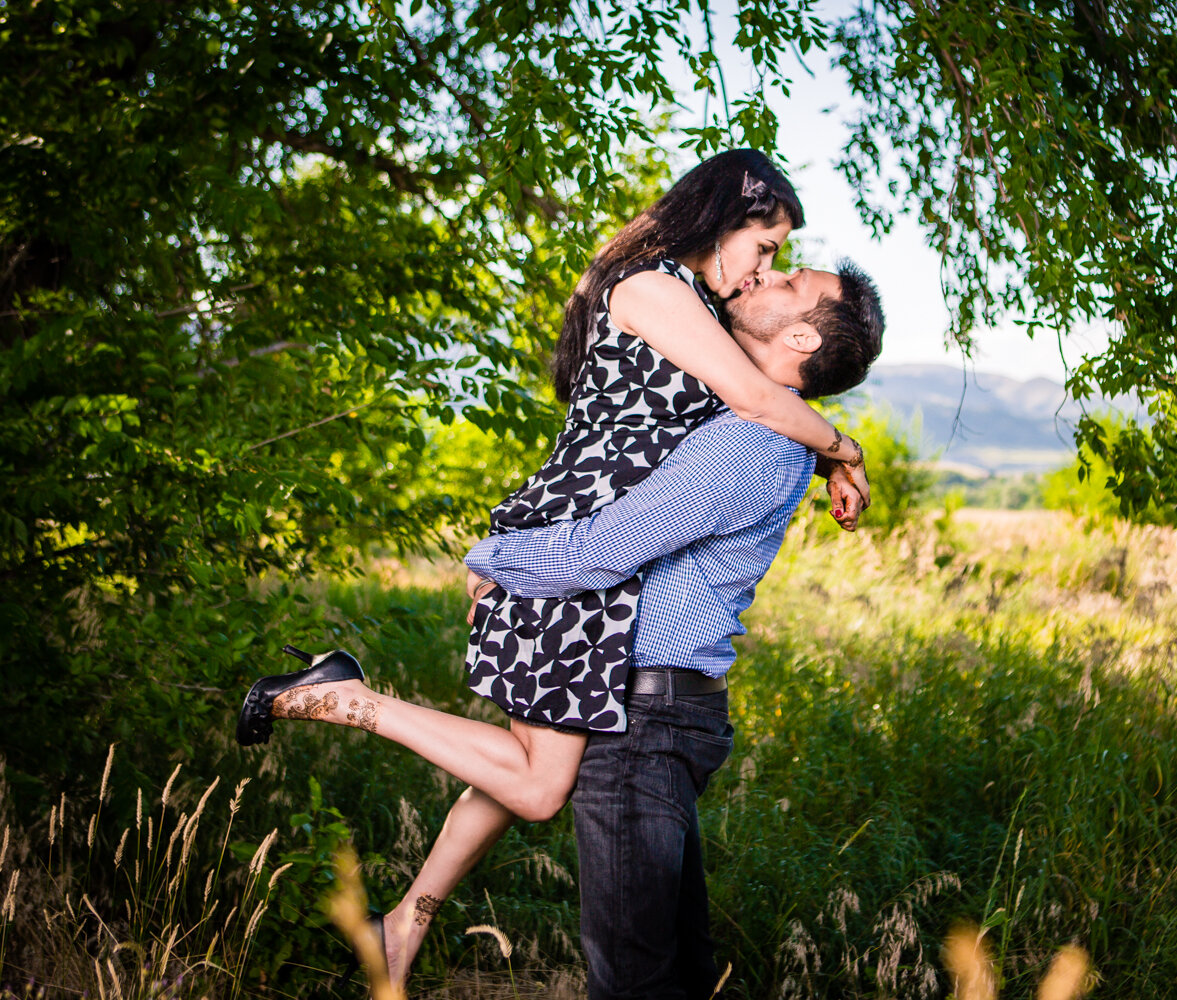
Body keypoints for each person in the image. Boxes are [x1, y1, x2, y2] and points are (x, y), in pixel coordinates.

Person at [235, 151, 869, 976]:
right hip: (574, 541)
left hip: (595, 550)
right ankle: (344, 700)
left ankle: (404, 924)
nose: (763, 271)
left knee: (530, 773)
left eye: (780, 264)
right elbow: (754, 403)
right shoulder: (653, 289)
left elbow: (758, 403)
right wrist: (845, 448)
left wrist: (822, 458)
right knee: (539, 784)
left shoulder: (702, 318)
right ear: (721, 223)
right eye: (766, 248)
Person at [451, 260, 885, 998]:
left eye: (787, 283)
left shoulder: (748, 442)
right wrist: (837, 451)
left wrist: (494, 558)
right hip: (661, 714)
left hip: (642, 725)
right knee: (667, 969)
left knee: (632, 977)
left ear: (804, 334)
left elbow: (604, 550)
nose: (760, 278)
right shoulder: (763, 429)